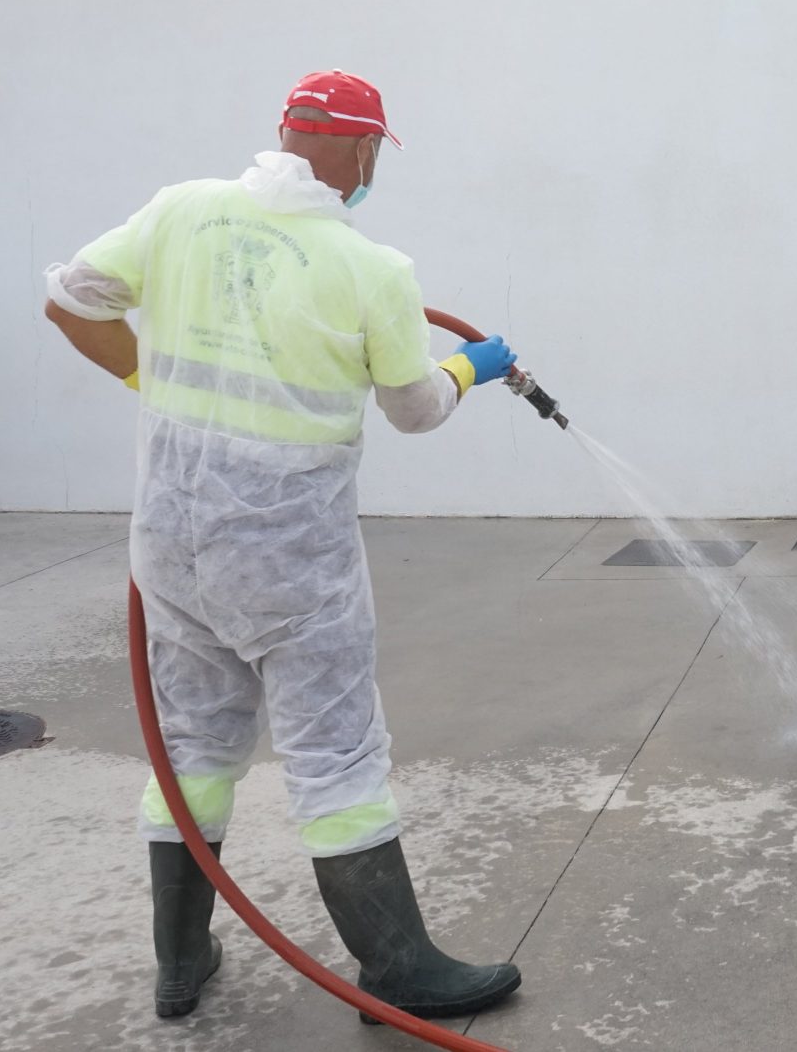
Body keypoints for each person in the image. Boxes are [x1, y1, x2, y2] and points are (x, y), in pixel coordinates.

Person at [43, 71, 524, 1023]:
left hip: (171, 548)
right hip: (289, 563)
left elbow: (70, 301)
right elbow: (415, 407)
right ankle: (396, 968)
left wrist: (157, 381)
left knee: (191, 745)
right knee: (335, 754)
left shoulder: (181, 212)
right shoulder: (370, 267)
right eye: (376, 152)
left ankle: (180, 964)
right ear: (359, 151)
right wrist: (475, 364)